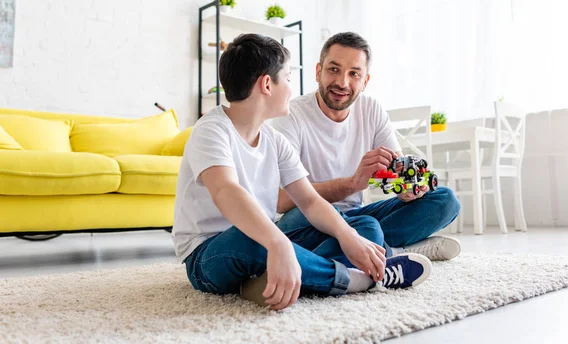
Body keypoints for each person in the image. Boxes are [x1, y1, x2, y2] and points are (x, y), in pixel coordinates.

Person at [172, 33, 432, 311]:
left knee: (363, 228)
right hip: (208, 255)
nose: (292, 88)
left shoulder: (274, 141)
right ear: (267, 84)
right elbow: (226, 190)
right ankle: (356, 280)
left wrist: (348, 237)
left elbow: (309, 200)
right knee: (249, 239)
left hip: (266, 238)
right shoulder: (212, 129)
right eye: (288, 78)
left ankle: (268, 279)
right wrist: (278, 243)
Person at [271, 32, 462, 261]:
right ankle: (392, 251)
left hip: (359, 216)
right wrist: (352, 184)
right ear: (318, 71)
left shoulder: (371, 109)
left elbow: (397, 171)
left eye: (354, 74)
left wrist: (407, 188)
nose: (343, 82)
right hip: (308, 219)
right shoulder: (291, 115)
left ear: (365, 82)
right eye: (334, 69)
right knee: (360, 226)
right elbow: (281, 201)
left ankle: (361, 249)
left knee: (445, 200)